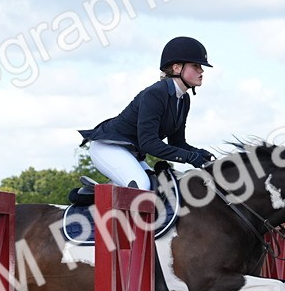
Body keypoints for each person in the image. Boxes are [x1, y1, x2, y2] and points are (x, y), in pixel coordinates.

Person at [77, 36, 215, 191]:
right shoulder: (155, 94)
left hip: (130, 152)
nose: (201, 70)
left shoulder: (183, 99)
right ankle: (94, 196)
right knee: (142, 186)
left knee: (160, 187)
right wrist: (189, 157)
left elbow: (177, 143)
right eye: (196, 66)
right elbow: (148, 143)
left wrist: (199, 153)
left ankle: (111, 189)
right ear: (177, 68)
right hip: (108, 148)